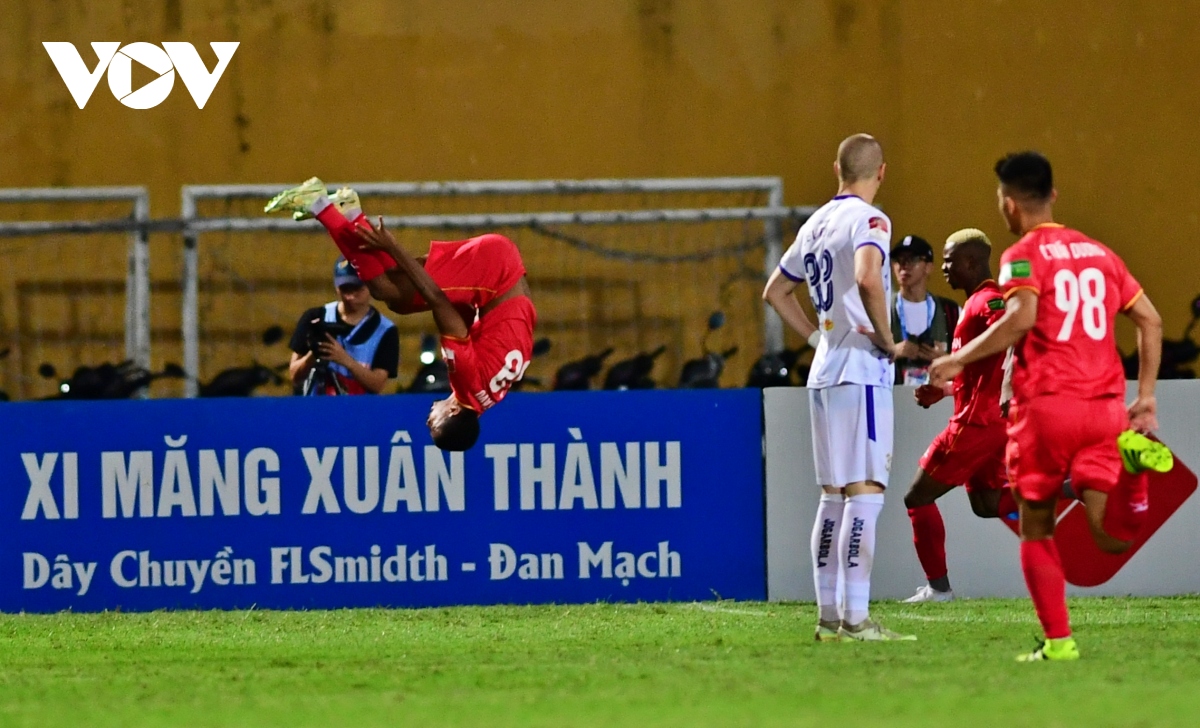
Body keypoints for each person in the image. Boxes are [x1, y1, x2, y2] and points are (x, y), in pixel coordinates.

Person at [929, 151, 1171, 662]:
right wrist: (1145, 396)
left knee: (1036, 525)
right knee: (1110, 537)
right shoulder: (1101, 254)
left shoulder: (1020, 256)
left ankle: (1059, 643)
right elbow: (1150, 321)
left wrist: (958, 360)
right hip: (1105, 408)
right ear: (1053, 195)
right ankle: (1135, 475)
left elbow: (1019, 321)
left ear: (1009, 204)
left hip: (1047, 411)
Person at [763, 133, 914, 642]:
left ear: (837, 169)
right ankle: (857, 619)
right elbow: (871, 278)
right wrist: (890, 342)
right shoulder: (871, 220)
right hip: (860, 368)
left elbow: (776, 291)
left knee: (832, 497)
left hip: (825, 370)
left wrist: (813, 338)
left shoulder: (816, 222)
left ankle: (829, 619)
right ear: (882, 172)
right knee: (865, 494)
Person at [266, 179, 536, 451]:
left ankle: (349, 212)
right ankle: (319, 204)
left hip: (498, 279)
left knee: (395, 290)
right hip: (493, 272)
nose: (428, 417)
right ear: (453, 413)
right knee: (386, 288)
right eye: (433, 423)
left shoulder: (491, 394)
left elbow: (484, 327)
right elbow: (439, 302)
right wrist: (392, 246)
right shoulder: (467, 382)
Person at [899, 228, 1016, 603]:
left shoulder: (988, 301)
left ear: (971, 262)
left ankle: (939, 589)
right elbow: (981, 370)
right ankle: (1071, 487)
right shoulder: (972, 305)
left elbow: (1016, 331)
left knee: (916, 497)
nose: (945, 269)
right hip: (988, 419)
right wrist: (945, 390)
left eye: (949, 261)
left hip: (977, 422)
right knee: (986, 504)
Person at [288, 256, 398, 396]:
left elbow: (377, 385)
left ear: (370, 285)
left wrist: (345, 360)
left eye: (357, 289)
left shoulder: (385, 330)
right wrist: (314, 354)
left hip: (359, 410)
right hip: (317, 405)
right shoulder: (314, 317)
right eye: (345, 289)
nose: (350, 297)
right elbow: (295, 376)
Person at [890, 235, 959, 386]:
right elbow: (861, 359)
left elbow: (971, 364)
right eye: (898, 260)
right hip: (893, 400)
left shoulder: (952, 311)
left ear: (929, 267)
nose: (904, 265)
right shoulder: (882, 309)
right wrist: (893, 352)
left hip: (941, 401)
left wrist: (946, 359)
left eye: (912, 259)